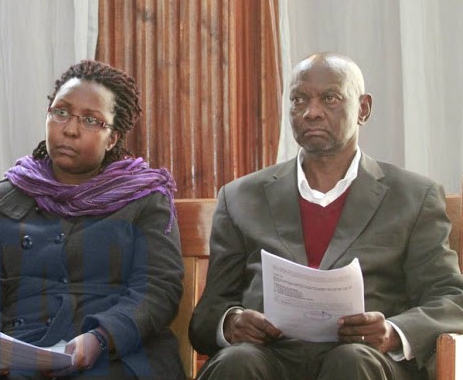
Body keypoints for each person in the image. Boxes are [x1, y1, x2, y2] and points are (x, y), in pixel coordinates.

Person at [188, 52, 463, 380]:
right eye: (298, 99)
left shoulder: (414, 197)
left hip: (365, 360)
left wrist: (392, 331)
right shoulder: (240, 197)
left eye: (329, 98)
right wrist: (231, 322)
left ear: (363, 109)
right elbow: (207, 315)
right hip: (269, 357)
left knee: (350, 362)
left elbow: (450, 300)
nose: (311, 112)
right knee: (237, 363)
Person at [0, 60, 185, 380]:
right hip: (15, 353)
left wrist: (101, 338)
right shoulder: (4, 198)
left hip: (113, 356)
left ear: (112, 138)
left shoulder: (146, 200)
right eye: (61, 112)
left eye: (90, 120)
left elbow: (156, 290)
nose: (70, 129)